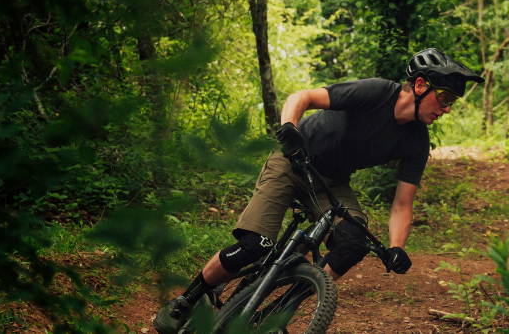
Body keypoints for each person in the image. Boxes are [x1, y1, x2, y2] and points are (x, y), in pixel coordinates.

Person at [154, 48, 484, 333]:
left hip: (332, 182)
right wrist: (289, 129)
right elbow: (304, 97)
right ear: (420, 85)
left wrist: (397, 246)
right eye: (444, 98)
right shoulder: (376, 93)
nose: (446, 109)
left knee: (353, 243)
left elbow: (402, 203)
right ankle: (187, 300)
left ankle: (275, 310)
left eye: (451, 102)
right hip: (292, 162)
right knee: (255, 244)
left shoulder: (416, 141)